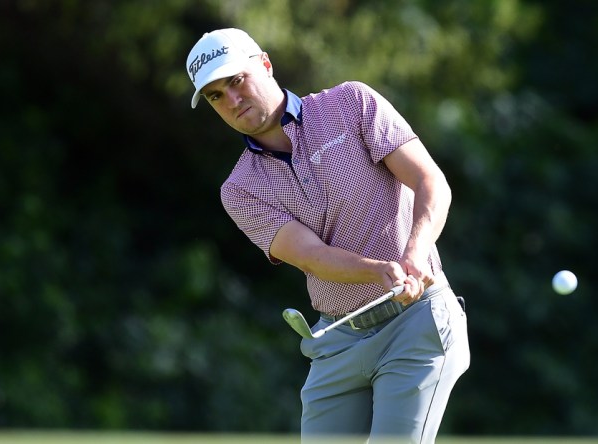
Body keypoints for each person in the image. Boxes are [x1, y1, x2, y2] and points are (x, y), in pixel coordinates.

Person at [186, 28, 470, 443]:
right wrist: (380, 271)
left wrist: (415, 253)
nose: (232, 101)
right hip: (338, 340)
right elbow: (312, 255)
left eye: (235, 81)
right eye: (215, 96)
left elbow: (431, 182)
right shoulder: (240, 188)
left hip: (417, 324)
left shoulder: (350, 103)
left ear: (265, 64)